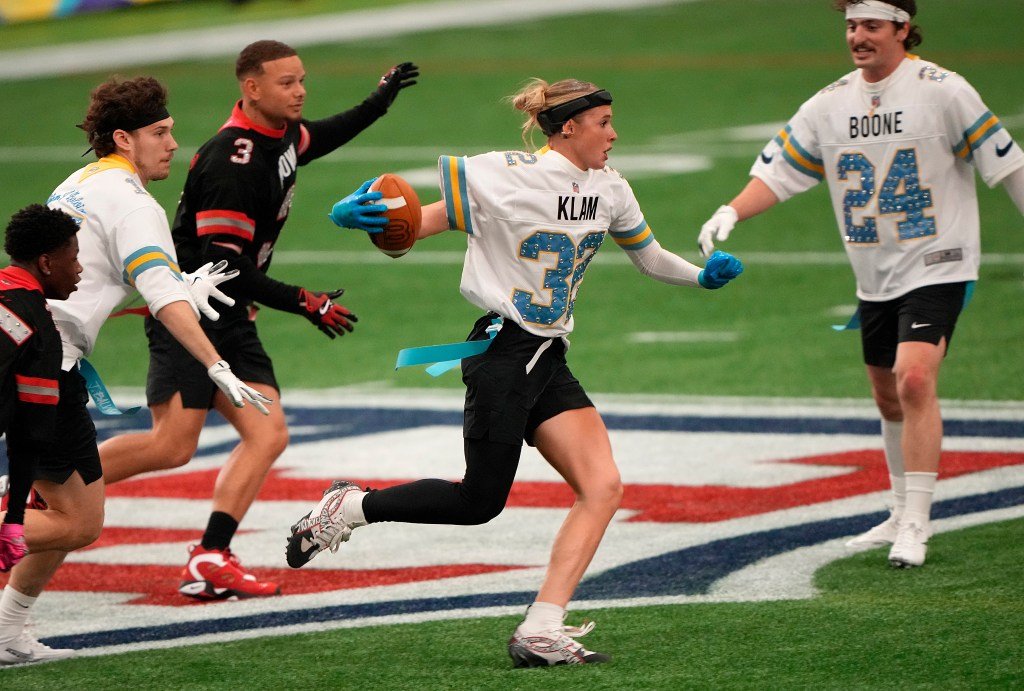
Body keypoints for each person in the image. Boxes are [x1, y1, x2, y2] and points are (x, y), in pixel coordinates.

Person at [288, 77, 744, 667]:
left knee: (602, 488)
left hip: (546, 356)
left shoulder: (611, 189)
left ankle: (541, 629)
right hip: (504, 353)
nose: (614, 132)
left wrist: (699, 275)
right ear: (570, 127)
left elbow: (649, 256)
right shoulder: (501, 173)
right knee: (479, 500)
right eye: (604, 121)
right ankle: (349, 507)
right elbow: (411, 230)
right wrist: (366, 220)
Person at [696, 0, 1024, 568]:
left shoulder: (943, 90)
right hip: (874, 272)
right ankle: (899, 510)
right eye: (851, 25)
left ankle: (919, 521)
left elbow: (1009, 167)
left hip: (939, 260)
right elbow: (779, 172)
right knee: (886, 394)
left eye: (871, 25)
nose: (859, 36)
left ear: (902, 28)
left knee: (914, 378)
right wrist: (732, 211)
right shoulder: (829, 103)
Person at [97, 40, 419, 601]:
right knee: (172, 444)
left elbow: (321, 136)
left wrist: (379, 101)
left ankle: (211, 557)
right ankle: (46, 484)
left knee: (266, 433)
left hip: (233, 315)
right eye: (286, 83)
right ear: (252, 87)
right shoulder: (232, 161)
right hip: (189, 312)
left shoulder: (282, 135)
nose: (299, 91)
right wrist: (303, 300)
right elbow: (226, 262)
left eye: (301, 80)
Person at [0, 75, 268, 666]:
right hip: (42, 366)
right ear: (124, 137)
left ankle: (7, 630)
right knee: (76, 522)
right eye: (159, 132)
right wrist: (214, 361)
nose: (173, 142)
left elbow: (84, 279)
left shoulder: (83, 181)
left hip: (33, 351)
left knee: (70, 514)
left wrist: (171, 286)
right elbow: (155, 292)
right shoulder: (134, 202)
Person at [0, 205, 82, 581]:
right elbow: (30, 436)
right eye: (75, 257)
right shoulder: (41, 329)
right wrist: (14, 519)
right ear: (47, 263)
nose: (79, 268)